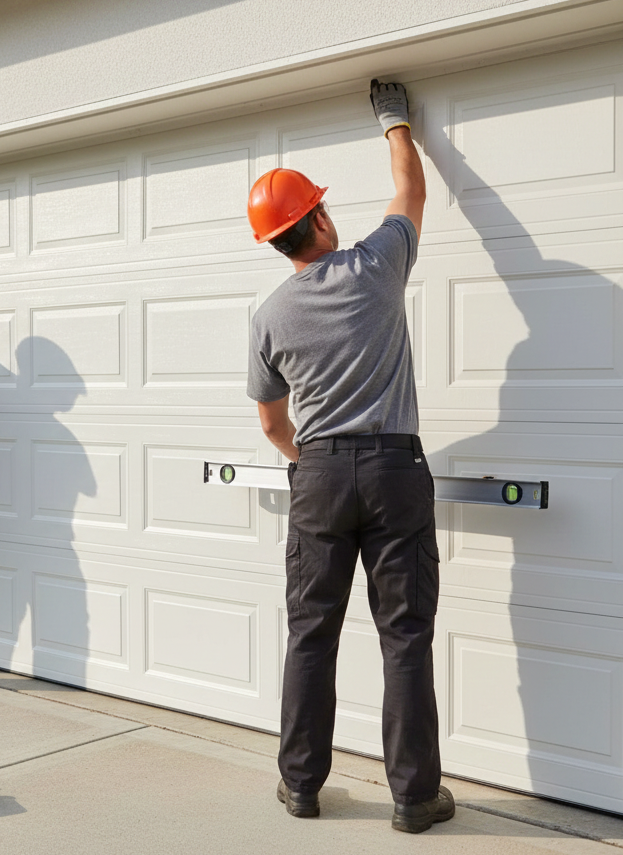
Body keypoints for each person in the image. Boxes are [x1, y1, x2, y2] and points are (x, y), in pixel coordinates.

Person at [245, 81, 453, 833]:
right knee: (405, 634)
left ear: (275, 240)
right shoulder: (376, 264)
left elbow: (271, 422)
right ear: (320, 219)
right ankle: (415, 798)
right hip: (396, 470)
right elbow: (411, 188)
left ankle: (301, 784)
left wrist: (313, 459)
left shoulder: (268, 315)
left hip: (321, 472)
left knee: (311, 631)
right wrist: (395, 122)